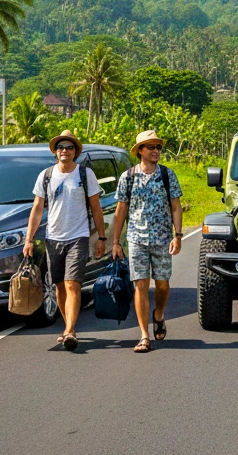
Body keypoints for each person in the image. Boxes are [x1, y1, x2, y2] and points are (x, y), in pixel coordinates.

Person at [23, 130, 106, 350]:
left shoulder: (85, 174)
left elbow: (96, 208)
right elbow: (37, 208)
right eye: (61, 147)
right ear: (55, 151)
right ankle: (68, 326)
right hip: (53, 238)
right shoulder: (46, 175)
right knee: (59, 286)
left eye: (69, 147)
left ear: (75, 152)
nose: (65, 151)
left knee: (72, 284)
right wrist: (29, 239)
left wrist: (102, 237)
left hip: (78, 236)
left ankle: (70, 330)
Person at [112, 130, 183, 353]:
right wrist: (116, 241)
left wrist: (178, 235)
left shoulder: (167, 175)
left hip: (162, 239)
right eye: (150, 147)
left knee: (162, 284)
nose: (155, 151)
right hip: (136, 239)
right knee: (140, 285)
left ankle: (159, 314)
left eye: (158, 147)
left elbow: (175, 206)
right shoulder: (128, 177)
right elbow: (120, 210)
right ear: (140, 151)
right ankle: (143, 335)